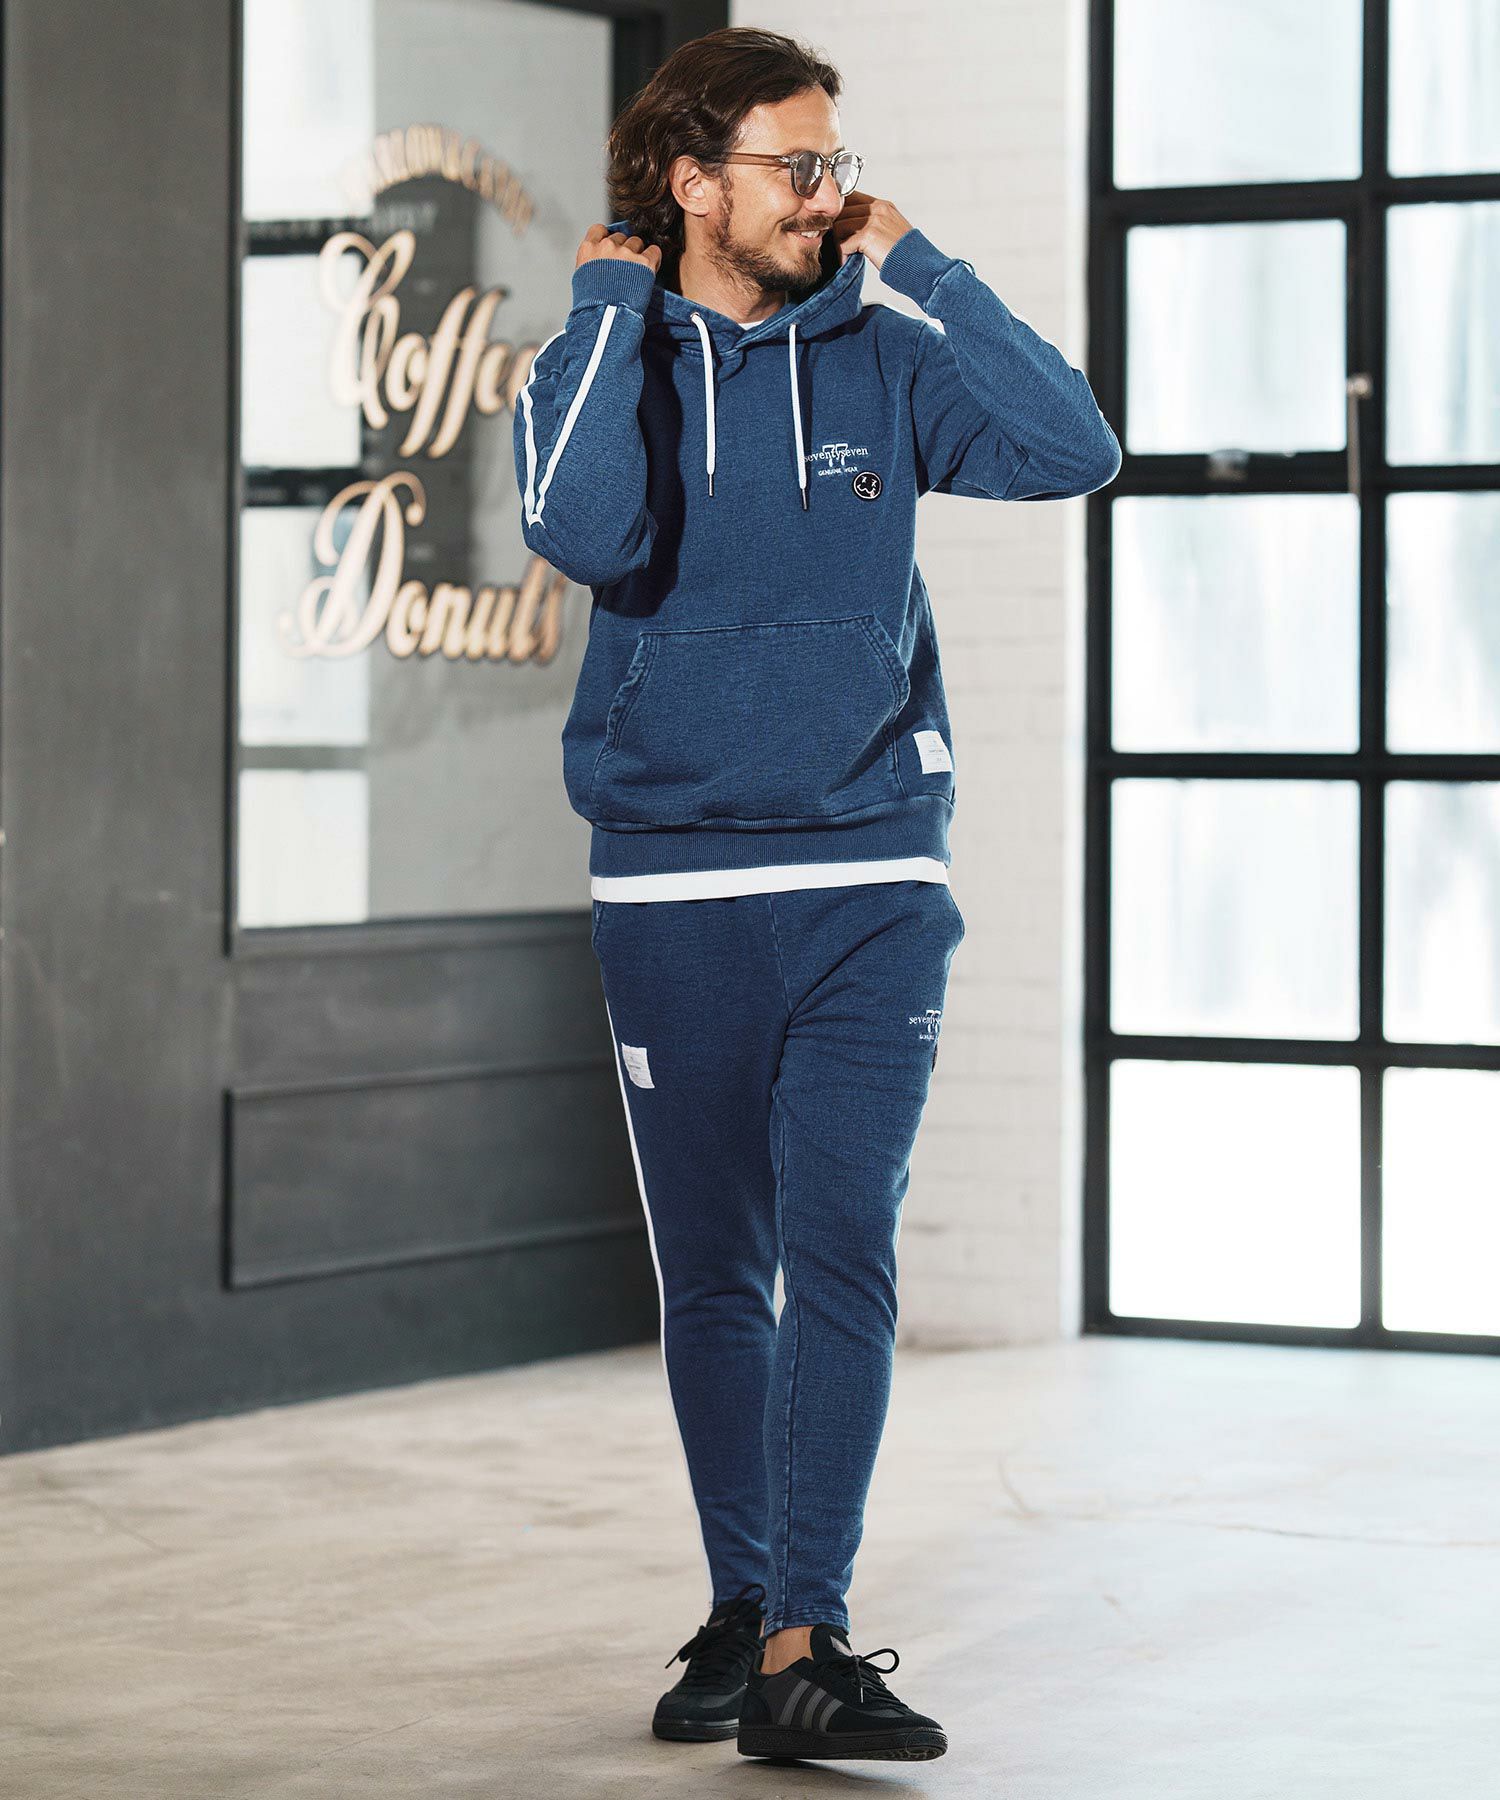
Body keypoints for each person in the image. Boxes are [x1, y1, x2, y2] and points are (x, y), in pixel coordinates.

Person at [512, 25, 1119, 1765]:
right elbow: (581, 533)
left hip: (869, 876)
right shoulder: (602, 358)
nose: (825, 193)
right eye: (796, 165)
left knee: (843, 1250)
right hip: (672, 882)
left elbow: (1073, 447)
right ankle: (744, 1604)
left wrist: (924, 262)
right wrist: (606, 308)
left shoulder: (883, 351)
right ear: (693, 183)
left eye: (833, 161)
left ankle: (804, 1639)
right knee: (717, 1272)